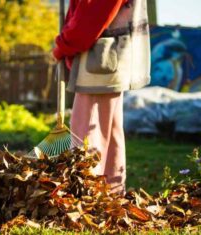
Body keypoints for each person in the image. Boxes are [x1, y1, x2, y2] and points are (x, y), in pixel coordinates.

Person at [52, 0, 151, 194]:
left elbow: (90, 17)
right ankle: (110, 195)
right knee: (108, 129)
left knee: (88, 133)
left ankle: (86, 197)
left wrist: (63, 45)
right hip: (110, 58)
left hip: (101, 59)